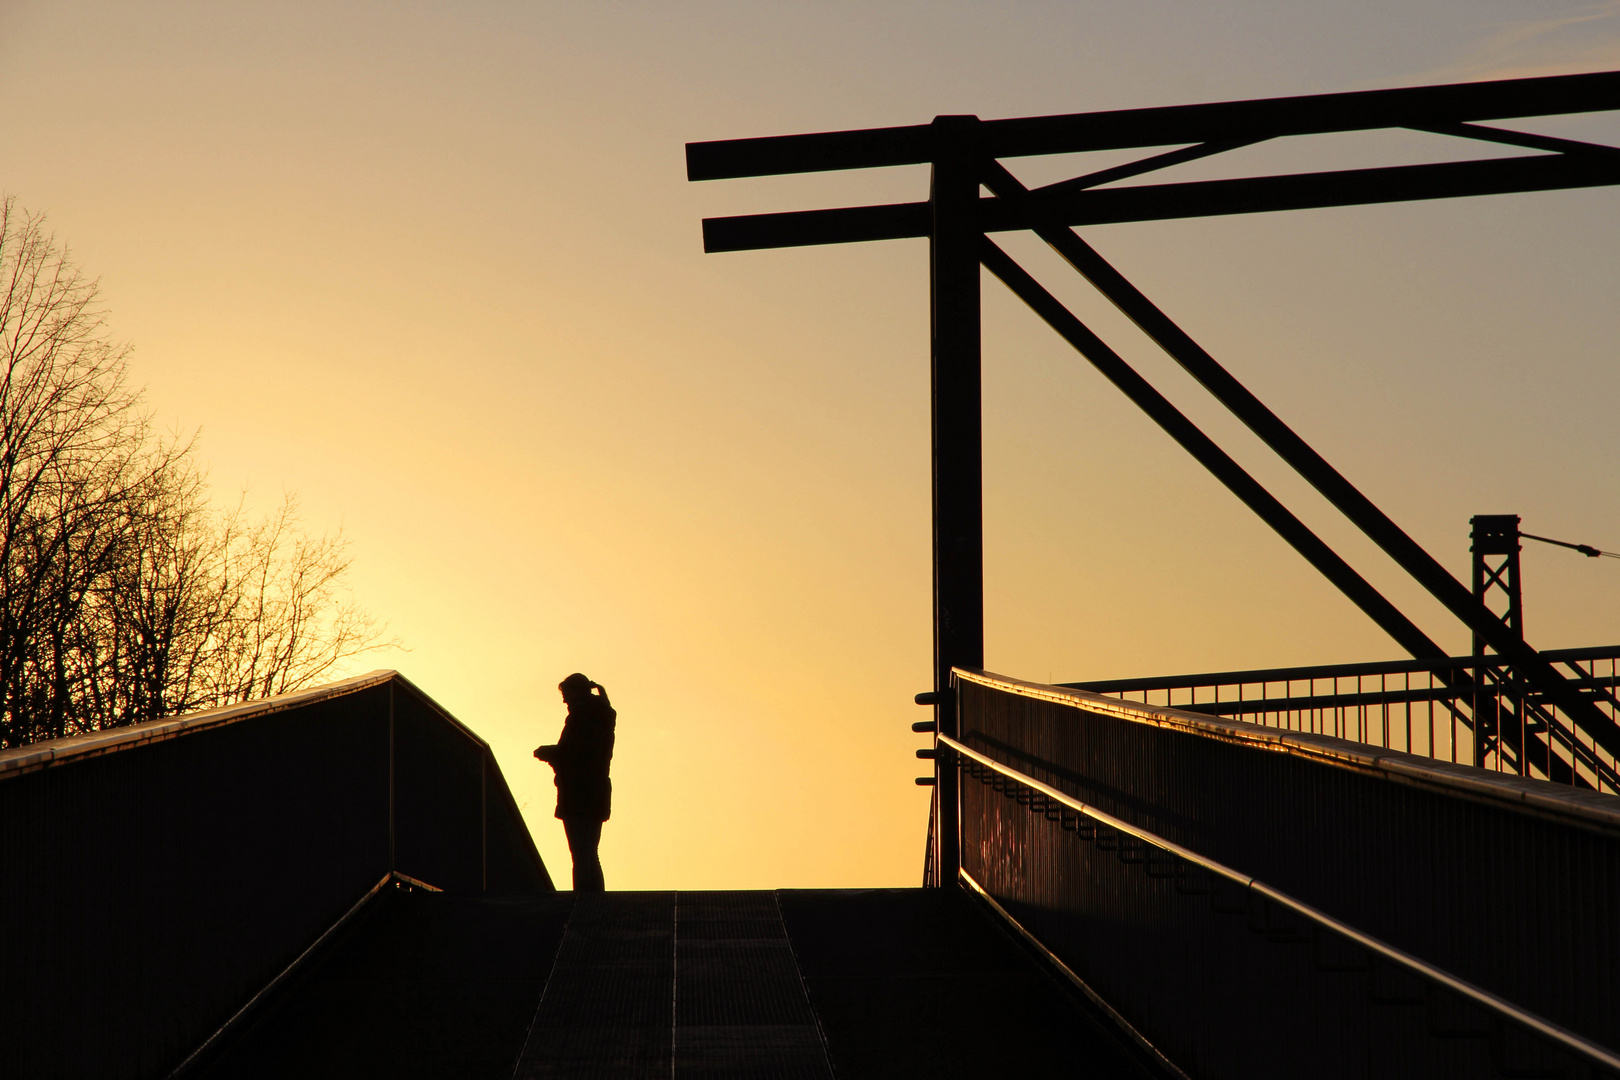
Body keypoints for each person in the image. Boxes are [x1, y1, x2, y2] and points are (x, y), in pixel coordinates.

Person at [534, 673, 615, 892]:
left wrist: (547, 753)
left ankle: (582, 901)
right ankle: (594, 899)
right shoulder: (603, 715)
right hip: (597, 791)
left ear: (576, 692)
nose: (564, 700)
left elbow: (574, 753)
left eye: (566, 694)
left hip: (577, 791)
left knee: (580, 853)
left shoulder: (582, 716)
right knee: (589, 852)